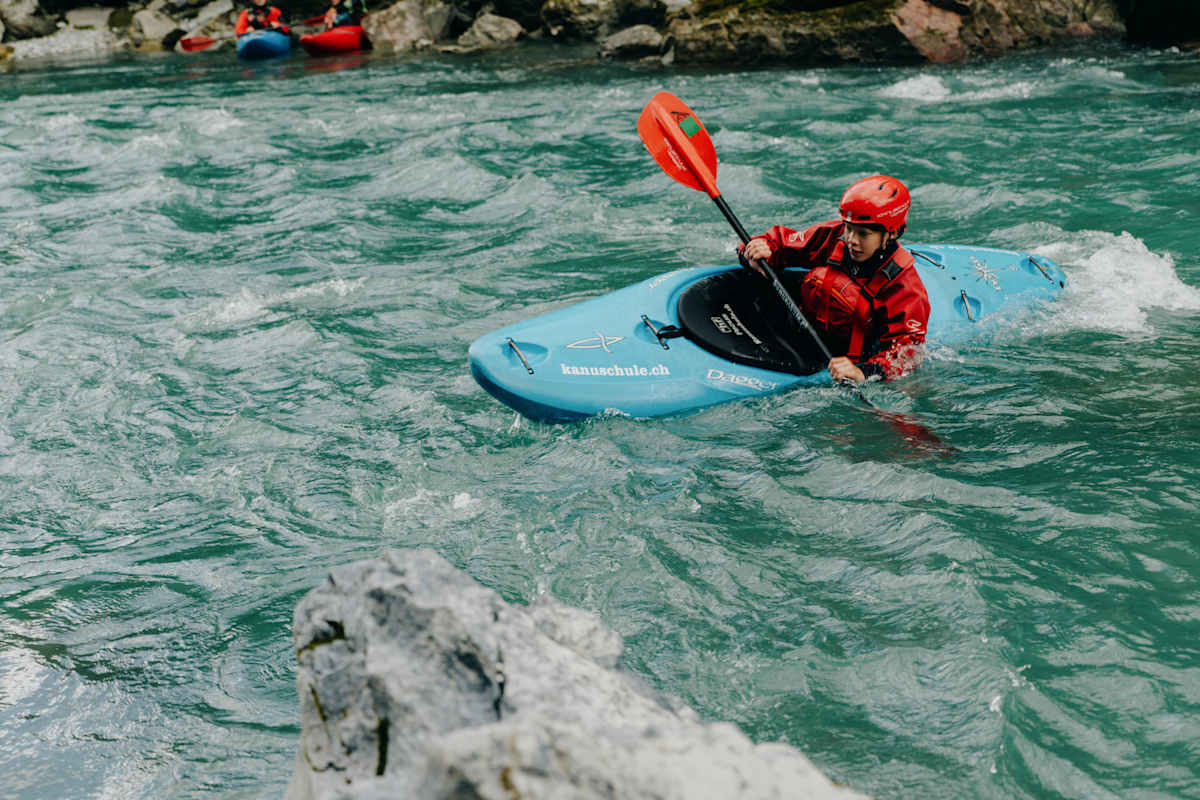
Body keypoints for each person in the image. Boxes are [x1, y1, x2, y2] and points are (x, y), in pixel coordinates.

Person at [739, 175, 930, 384]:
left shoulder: (906, 288)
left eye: (863, 234)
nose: (851, 240)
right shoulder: (835, 235)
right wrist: (759, 249)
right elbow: (784, 243)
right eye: (849, 229)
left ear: (891, 233)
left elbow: (907, 354)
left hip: (850, 354)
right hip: (802, 325)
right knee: (819, 279)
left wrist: (864, 373)